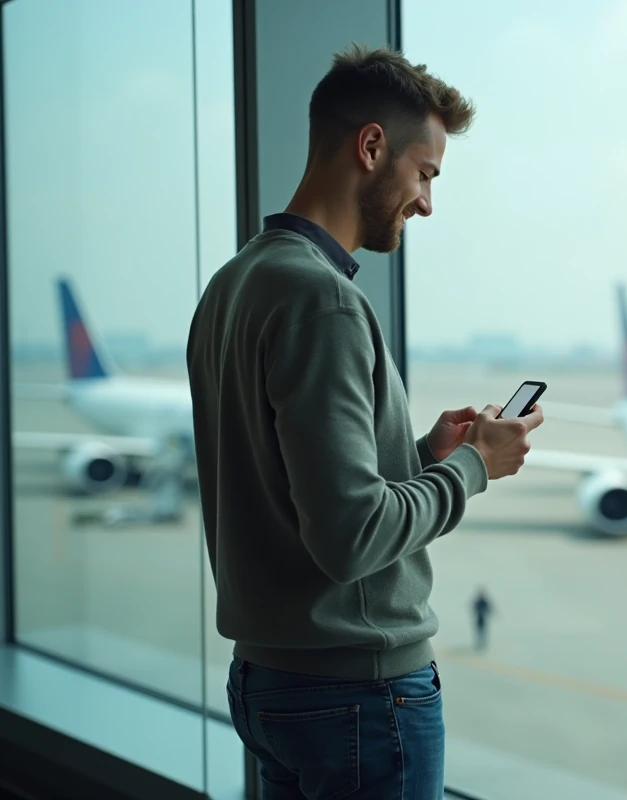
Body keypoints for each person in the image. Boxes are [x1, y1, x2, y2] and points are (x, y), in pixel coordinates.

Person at [186, 44, 543, 799]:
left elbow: (295, 489)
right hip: (356, 694)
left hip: (270, 683)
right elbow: (349, 538)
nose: (427, 203)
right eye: (426, 173)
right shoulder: (323, 301)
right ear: (372, 146)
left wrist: (423, 455)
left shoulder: (235, 283)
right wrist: (474, 468)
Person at [472, 586, 494, 652]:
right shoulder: (478, 601)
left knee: (483, 632)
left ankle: (483, 644)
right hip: (479, 619)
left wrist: (486, 612)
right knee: (479, 632)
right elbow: (474, 609)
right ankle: (479, 644)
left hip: (483, 619)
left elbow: (489, 608)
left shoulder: (484, 601)